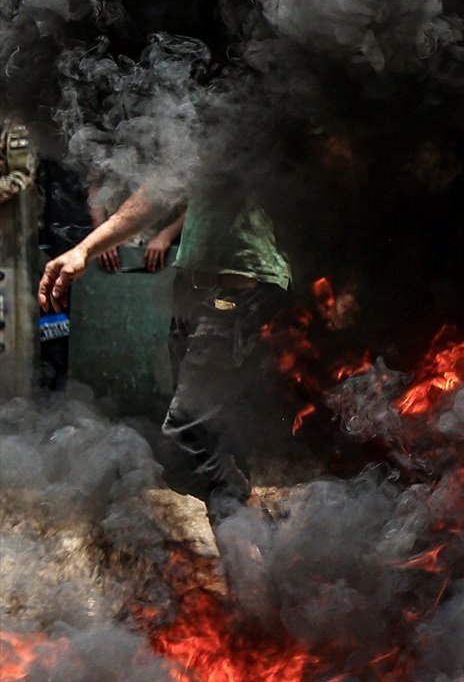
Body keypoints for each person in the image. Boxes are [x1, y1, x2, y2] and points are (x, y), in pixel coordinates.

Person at [40, 184, 291, 518]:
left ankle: (258, 529)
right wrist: (85, 250)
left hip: (236, 295)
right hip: (194, 291)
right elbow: (165, 186)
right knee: (215, 444)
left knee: (187, 436)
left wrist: (86, 249)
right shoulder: (198, 138)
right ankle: (247, 556)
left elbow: (162, 191)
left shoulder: (242, 134)